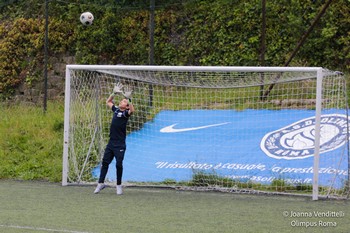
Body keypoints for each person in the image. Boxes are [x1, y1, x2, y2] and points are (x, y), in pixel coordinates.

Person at [94, 83, 134, 195]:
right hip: (111, 143)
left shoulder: (126, 113)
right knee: (105, 162)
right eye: (122, 100)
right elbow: (108, 102)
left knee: (118, 164)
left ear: (126, 106)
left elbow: (132, 110)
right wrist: (113, 93)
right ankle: (100, 183)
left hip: (120, 144)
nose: (122, 101)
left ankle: (119, 185)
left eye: (124, 101)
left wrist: (129, 99)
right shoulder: (116, 110)